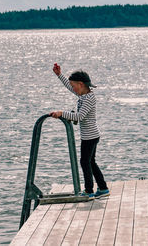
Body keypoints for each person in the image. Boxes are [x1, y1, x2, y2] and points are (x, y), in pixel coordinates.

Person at [50, 63, 109, 199]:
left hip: (90, 136)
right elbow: (69, 86)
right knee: (91, 162)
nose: (73, 89)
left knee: (85, 162)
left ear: (81, 84)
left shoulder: (88, 99)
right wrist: (59, 75)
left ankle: (89, 191)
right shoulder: (84, 95)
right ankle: (103, 188)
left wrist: (61, 113)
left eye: (74, 86)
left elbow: (79, 116)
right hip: (91, 135)